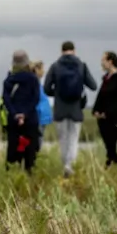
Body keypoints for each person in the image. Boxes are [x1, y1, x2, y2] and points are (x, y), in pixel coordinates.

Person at [44, 41, 98, 178]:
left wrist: (56, 93)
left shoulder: (55, 67)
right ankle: (70, 166)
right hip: (76, 110)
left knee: (63, 140)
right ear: (74, 50)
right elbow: (93, 86)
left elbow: (46, 88)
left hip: (60, 110)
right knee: (73, 140)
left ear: (62, 51)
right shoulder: (81, 66)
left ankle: (65, 166)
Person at [2, 51, 41, 174]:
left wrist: (15, 114)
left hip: (13, 121)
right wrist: (25, 114)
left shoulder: (9, 80)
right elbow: (36, 99)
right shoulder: (33, 79)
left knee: (13, 149)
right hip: (30, 120)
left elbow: (6, 100)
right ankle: (29, 176)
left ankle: (12, 176)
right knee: (30, 151)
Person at [92, 51, 117, 168]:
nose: (101, 63)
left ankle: (113, 165)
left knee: (112, 143)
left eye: (103, 60)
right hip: (102, 118)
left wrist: (107, 113)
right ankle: (111, 165)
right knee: (107, 144)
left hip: (113, 117)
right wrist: (95, 110)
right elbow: (100, 96)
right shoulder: (106, 78)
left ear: (110, 61)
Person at [30, 61, 53, 150]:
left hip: (42, 116)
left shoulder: (37, 83)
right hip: (38, 116)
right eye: (41, 69)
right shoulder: (34, 83)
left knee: (38, 139)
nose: (43, 72)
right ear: (36, 70)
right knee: (37, 140)